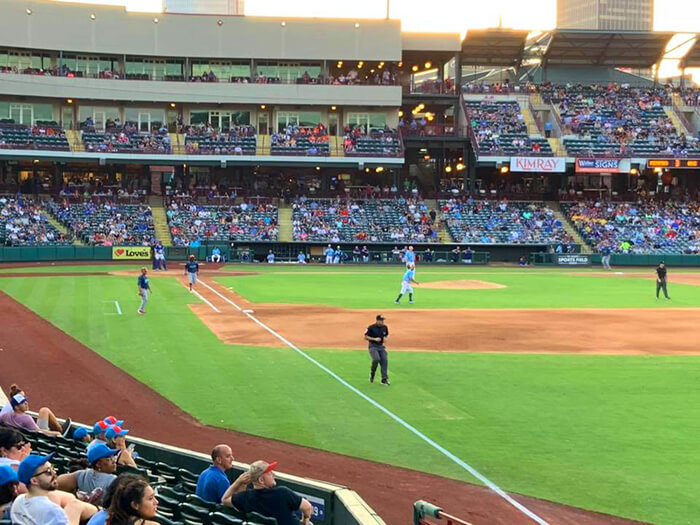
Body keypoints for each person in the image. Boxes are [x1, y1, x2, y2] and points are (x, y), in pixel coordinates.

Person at [12, 453, 96, 525]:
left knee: (74, 503)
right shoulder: (52, 510)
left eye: (52, 468)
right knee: (76, 506)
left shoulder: (19, 500)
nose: (54, 473)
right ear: (34, 481)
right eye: (48, 471)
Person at [222, 461, 313, 525]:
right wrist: (305, 520)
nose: (274, 474)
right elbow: (307, 508)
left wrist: (238, 482)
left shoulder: (246, 497)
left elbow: (225, 499)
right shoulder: (282, 493)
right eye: (269, 473)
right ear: (261, 480)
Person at [0, 393, 71, 437]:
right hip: (39, 434)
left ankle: (59, 429)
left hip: (26, 432)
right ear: (16, 407)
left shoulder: (6, 416)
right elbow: (39, 432)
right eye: (23, 403)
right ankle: (61, 431)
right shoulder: (26, 418)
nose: (26, 403)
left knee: (44, 410)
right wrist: (56, 433)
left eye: (25, 401)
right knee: (45, 410)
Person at [364, 314, 390, 385]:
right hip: (373, 346)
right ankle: (372, 373)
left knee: (384, 360)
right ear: (377, 320)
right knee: (376, 359)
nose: (382, 322)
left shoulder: (385, 327)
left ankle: (384, 379)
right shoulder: (371, 327)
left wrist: (385, 338)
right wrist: (374, 339)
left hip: (381, 347)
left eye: (383, 320)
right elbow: (365, 337)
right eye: (381, 320)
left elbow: (386, 335)